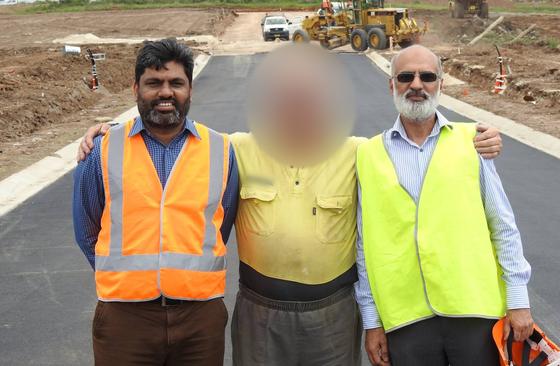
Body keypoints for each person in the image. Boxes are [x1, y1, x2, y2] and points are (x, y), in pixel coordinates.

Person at [77, 44, 503, 366]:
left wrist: (475, 137)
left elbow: (417, 147)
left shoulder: (362, 153)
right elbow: (93, 230)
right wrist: (103, 132)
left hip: (334, 315)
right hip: (259, 313)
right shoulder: (234, 150)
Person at [355, 44, 534, 366]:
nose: (416, 85)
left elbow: (503, 226)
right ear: (391, 84)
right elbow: (364, 245)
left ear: (441, 84)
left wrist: (518, 301)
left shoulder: (473, 141)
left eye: (427, 77)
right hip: (405, 317)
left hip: (475, 313)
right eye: (406, 76)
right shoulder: (367, 155)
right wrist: (372, 320)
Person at [72, 38, 239, 366]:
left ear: (190, 90)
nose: (165, 92)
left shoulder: (221, 150)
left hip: (199, 318)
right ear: (136, 88)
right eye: (154, 83)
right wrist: (126, 279)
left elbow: (221, 225)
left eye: (176, 83)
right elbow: (86, 230)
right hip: (124, 319)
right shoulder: (102, 151)